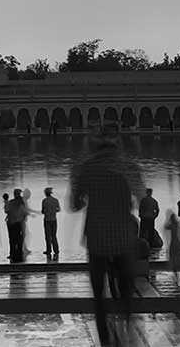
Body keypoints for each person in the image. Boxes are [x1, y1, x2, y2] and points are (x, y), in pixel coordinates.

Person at [70, 127, 145, 346]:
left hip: (97, 237)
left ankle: (105, 338)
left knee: (99, 294)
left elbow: (75, 205)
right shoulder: (127, 166)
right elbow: (141, 196)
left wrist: (85, 195)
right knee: (126, 289)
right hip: (123, 235)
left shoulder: (86, 167)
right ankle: (128, 326)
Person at [6, 188, 31, 262]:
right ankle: (19, 254)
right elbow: (25, 212)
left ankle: (13, 254)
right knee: (19, 239)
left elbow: (7, 210)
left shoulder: (11, 202)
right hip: (18, 223)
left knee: (12, 240)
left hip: (11, 223)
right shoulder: (21, 202)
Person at [164, 210, 180, 281]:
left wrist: (168, 220)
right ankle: (179, 274)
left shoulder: (173, 224)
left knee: (173, 255)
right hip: (176, 242)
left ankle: (176, 273)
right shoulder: (176, 224)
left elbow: (165, 226)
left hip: (174, 242)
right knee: (177, 256)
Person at [41, 187, 61, 259]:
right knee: (54, 236)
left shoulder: (44, 201)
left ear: (46, 193)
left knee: (47, 236)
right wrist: (53, 211)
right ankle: (56, 250)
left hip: (47, 220)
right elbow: (58, 209)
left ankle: (48, 250)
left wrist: (46, 211)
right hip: (54, 220)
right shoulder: (55, 200)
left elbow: (42, 211)